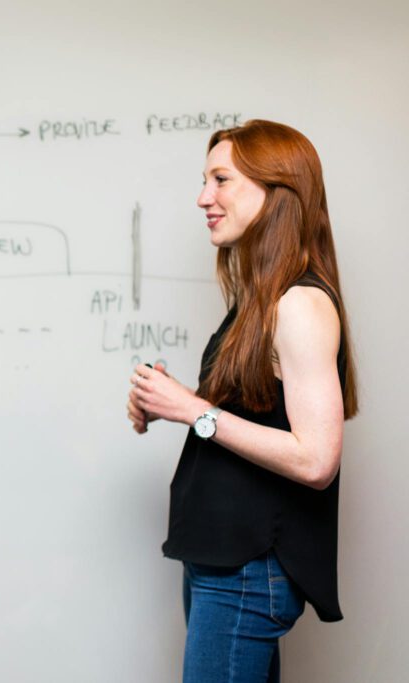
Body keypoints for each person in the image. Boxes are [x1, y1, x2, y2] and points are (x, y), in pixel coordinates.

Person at [126, 120, 357, 682]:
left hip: (248, 570)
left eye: (221, 179)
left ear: (277, 190)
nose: (204, 197)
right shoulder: (262, 300)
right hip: (225, 563)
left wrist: (191, 409)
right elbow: (249, 417)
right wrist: (168, 402)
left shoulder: (299, 304)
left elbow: (316, 460)